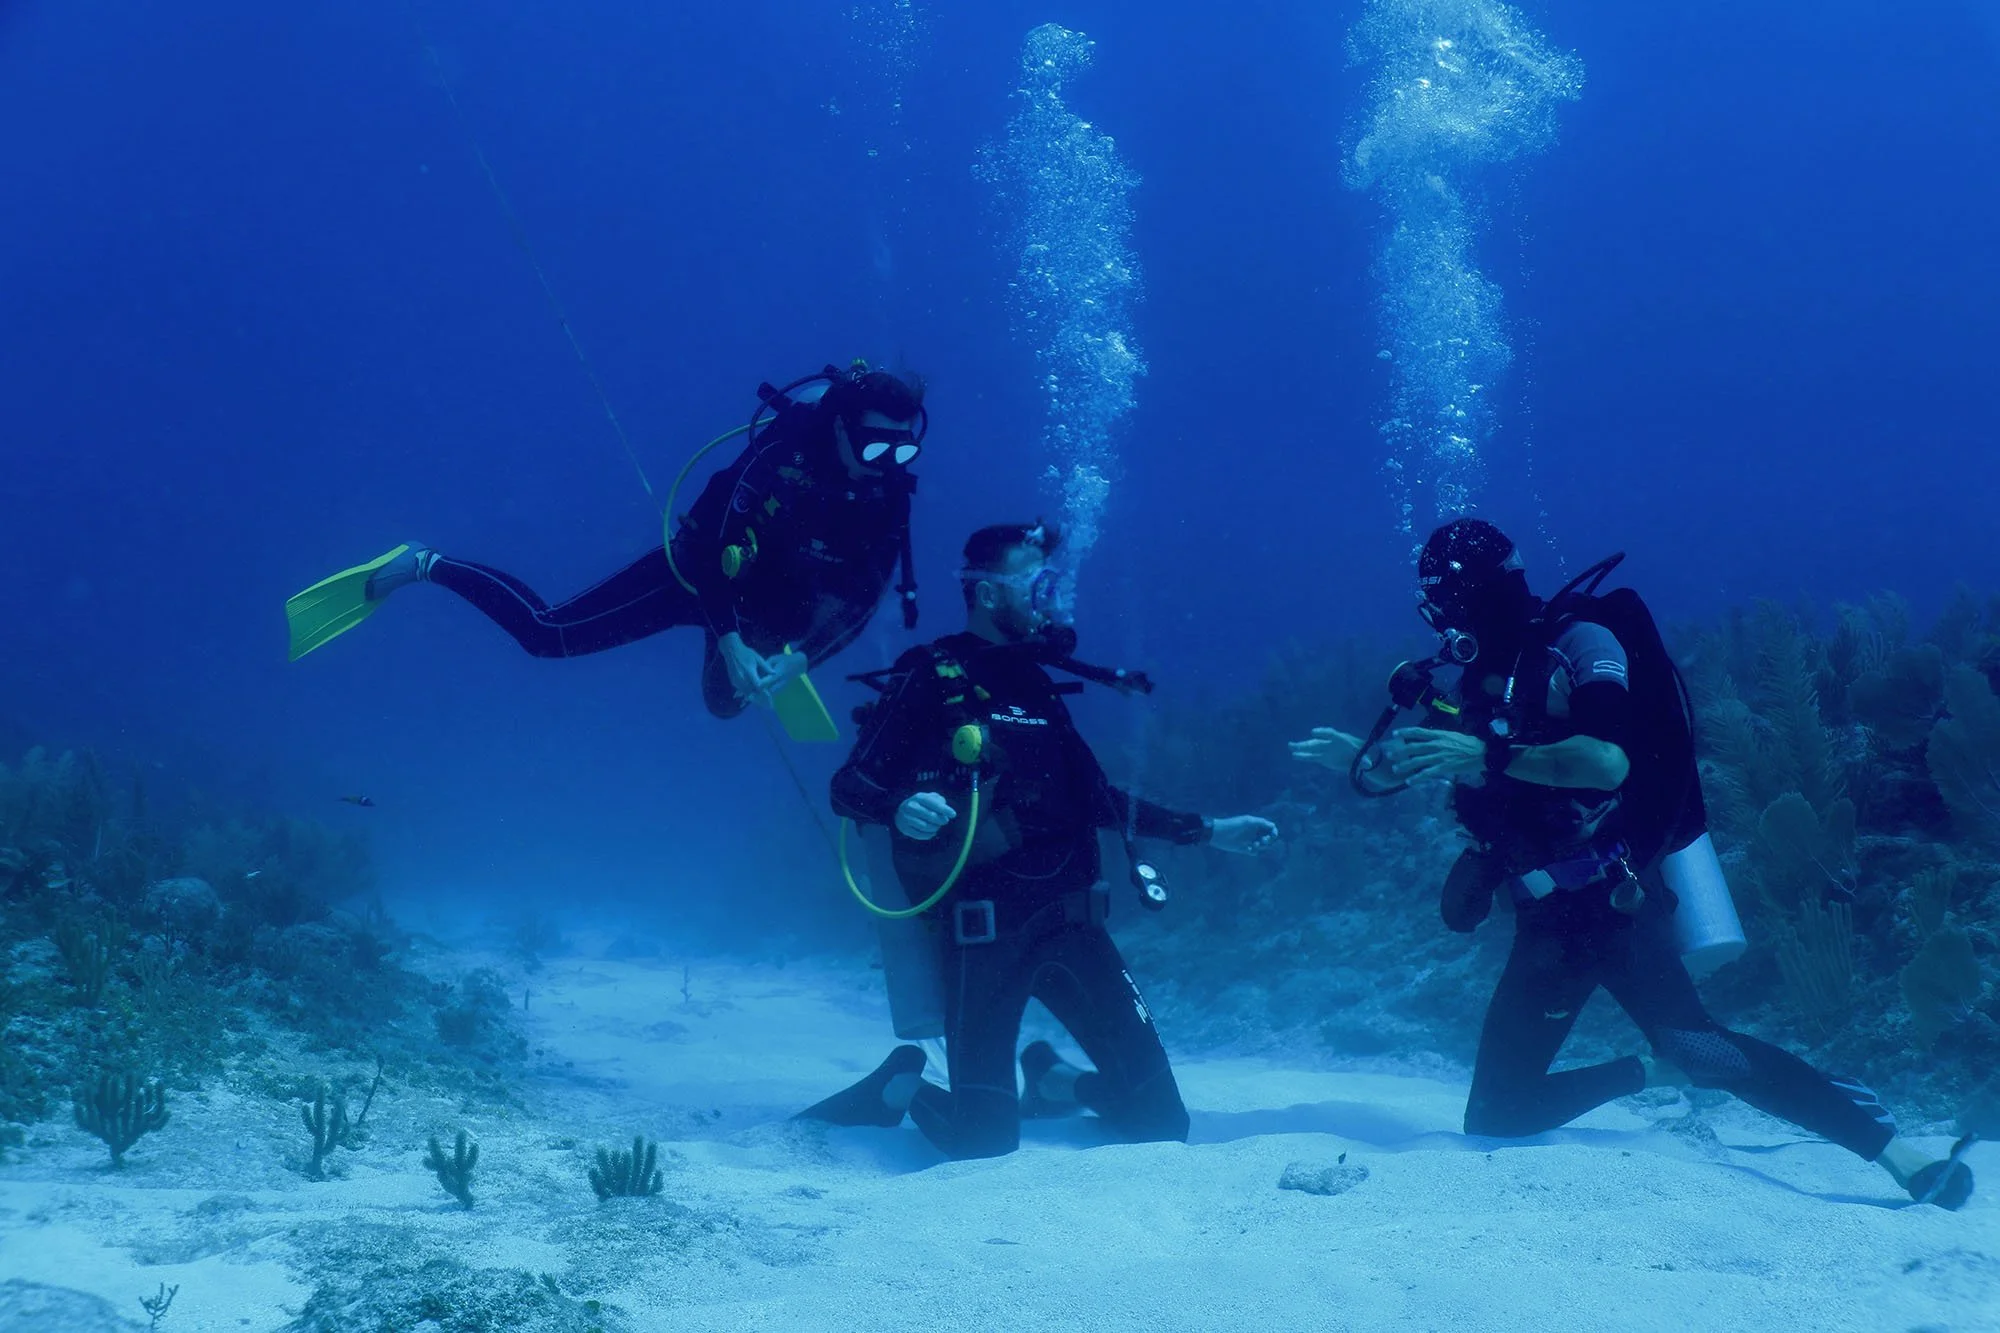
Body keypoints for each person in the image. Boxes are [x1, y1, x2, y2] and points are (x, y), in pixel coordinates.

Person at [1291, 518, 1975, 1210]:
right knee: (1497, 1112)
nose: (1440, 620)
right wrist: (1369, 760)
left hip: (1613, 899)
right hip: (1544, 920)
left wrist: (1491, 755)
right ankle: (1649, 1071)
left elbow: (1606, 761)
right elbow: (1439, 760)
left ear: (1477, 593)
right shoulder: (1479, 681)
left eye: (1444, 602)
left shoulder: (1581, 642)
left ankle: (1895, 1153)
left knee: (1703, 1048)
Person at [799, 521, 1278, 1159]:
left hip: (1076, 924)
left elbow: (1097, 799)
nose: (1052, 598)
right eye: (1037, 582)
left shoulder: (1038, 683)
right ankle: (901, 1085)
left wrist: (1208, 831)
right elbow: (849, 785)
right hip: (986, 934)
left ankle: (1054, 1082)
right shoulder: (930, 674)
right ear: (988, 593)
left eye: (1054, 582)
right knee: (982, 1140)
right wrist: (897, 806)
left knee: (1162, 1124)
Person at [284, 362, 928, 721]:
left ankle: (751, 655)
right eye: (875, 444)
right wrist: (731, 639)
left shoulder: (890, 490)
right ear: (839, 426)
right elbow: (710, 540)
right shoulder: (780, 456)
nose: (887, 461)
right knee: (545, 636)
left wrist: (800, 660)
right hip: (698, 574)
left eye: (902, 448)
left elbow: (864, 596)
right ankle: (422, 564)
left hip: (774, 601)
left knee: (725, 707)